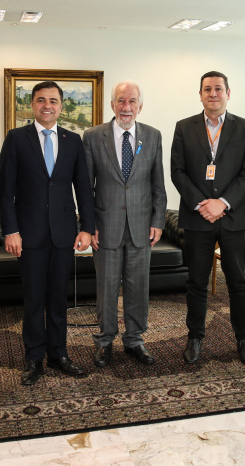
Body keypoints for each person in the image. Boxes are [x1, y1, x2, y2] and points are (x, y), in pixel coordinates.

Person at [0, 81, 96, 385]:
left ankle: (58, 354)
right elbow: (5, 191)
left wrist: (87, 228)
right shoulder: (16, 139)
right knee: (34, 299)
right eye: (41, 100)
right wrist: (10, 229)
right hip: (29, 235)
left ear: (61, 106)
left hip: (64, 233)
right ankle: (33, 358)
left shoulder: (73, 140)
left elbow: (83, 188)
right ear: (32, 105)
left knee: (58, 299)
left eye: (53, 101)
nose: (47, 106)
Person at [170, 71, 245, 365]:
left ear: (228, 93)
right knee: (196, 282)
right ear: (200, 94)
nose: (213, 94)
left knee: (238, 281)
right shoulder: (184, 127)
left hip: (233, 218)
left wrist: (222, 202)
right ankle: (195, 338)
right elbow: (178, 171)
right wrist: (201, 204)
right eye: (207, 89)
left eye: (218, 89)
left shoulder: (244, 128)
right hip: (198, 218)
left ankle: (244, 339)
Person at [83, 81, 167, 367]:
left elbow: (158, 185)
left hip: (142, 226)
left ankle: (134, 340)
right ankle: (105, 341)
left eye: (132, 101)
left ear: (140, 106)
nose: (126, 107)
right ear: (112, 104)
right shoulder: (93, 137)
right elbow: (85, 187)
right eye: (121, 101)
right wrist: (88, 224)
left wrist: (158, 220)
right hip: (105, 227)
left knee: (138, 286)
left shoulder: (153, 136)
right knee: (106, 288)